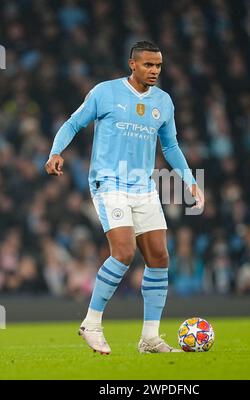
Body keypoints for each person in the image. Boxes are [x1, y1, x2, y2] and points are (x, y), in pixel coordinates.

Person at [45, 41, 204, 354]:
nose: (154, 71)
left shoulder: (164, 101)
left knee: (159, 256)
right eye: (148, 65)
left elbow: (170, 146)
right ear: (132, 64)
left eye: (158, 65)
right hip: (109, 182)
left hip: (143, 187)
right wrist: (55, 152)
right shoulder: (105, 92)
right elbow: (73, 122)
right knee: (123, 251)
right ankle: (91, 323)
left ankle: (150, 338)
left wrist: (190, 181)